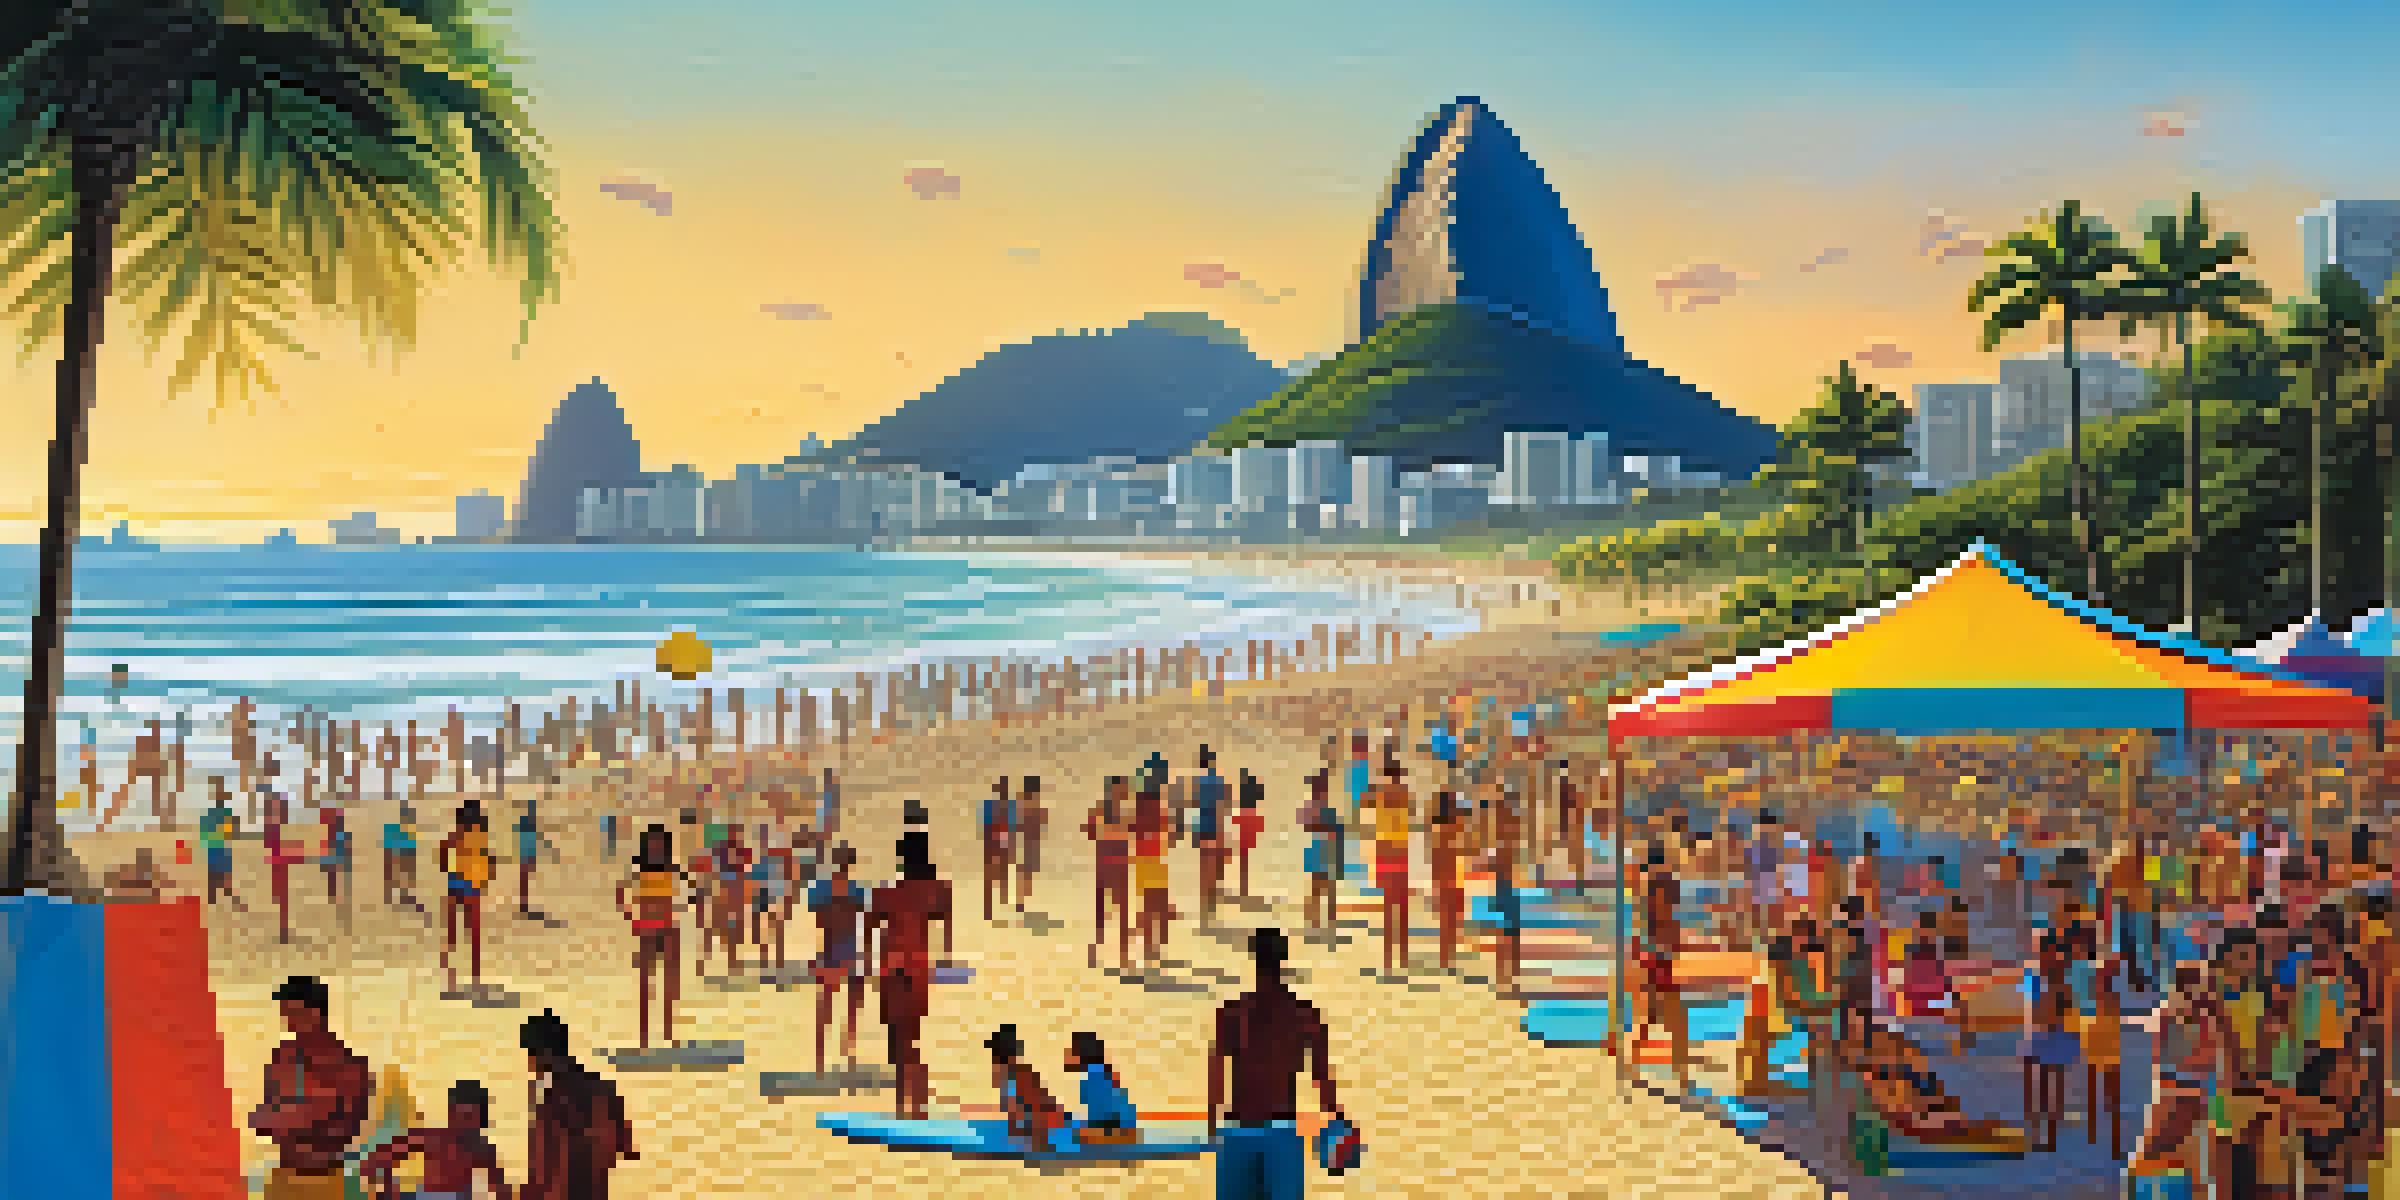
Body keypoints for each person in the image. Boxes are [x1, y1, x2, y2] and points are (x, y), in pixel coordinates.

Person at [248, 976, 375, 1200]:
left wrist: (292, 1116)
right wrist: (309, 1111)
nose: (289, 1024)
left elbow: (346, 1130)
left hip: (329, 1180)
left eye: (295, 1015)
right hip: (283, 1178)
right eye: (286, 1016)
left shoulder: (351, 1066)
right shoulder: (283, 1057)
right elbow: (259, 1120)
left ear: (316, 1012)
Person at [867, 831, 952, 1120]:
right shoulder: (935, 890)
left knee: (897, 1040)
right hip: (917, 969)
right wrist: (946, 956)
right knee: (910, 1038)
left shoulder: (888, 891)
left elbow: (870, 926)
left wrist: (871, 958)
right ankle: (918, 1102)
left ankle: (907, 1105)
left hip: (893, 968)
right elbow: (945, 917)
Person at [520, 1009, 637, 1200]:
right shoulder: (603, 1089)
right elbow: (626, 1147)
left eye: (531, 1055)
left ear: (543, 1054)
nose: (530, 1065)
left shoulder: (552, 1100)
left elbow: (543, 1170)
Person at [359, 1079, 515, 1200]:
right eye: (459, 1113)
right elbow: (379, 1157)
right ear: (450, 1112)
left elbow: (501, 1188)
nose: (463, 1122)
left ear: (480, 1118)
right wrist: (389, 1191)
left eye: (470, 1116)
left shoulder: (481, 1148)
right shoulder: (433, 1137)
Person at [614, 825, 685, 1050]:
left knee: (670, 985)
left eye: (658, 843)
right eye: (652, 842)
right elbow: (620, 892)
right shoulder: (639, 870)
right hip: (647, 930)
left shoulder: (672, 869)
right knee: (647, 984)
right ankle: (645, 1036)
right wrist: (631, 918)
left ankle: (669, 1031)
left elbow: (687, 894)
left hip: (668, 929)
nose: (655, 847)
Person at [809, 844, 871, 1075]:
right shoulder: (858, 891)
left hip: (830, 952)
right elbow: (862, 924)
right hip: (851, 952)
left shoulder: (821, 890)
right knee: (853, 1007)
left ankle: (820, 1059)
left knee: (824, 1008)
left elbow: (819, 921)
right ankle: (849, 1052)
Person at [986, 1024, 1073, 1153]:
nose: (992, 1064)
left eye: (994, 1056)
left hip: (1052, 1133)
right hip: (1052, 1130)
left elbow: (1035, 1114)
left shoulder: (1014, 1079)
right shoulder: (1015, 1076)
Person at [438, 804, 492, 995]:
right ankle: (473, 979)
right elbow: (486, 859)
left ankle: (449, 978)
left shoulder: (459, 832)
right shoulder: (480, 833)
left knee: (453, 932)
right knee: (473, 934)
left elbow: (444, 849)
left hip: (457, 881)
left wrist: (447, 869)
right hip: (471, 885)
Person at [1084, 778, 1135, 970]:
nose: (1124, 793)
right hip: (1113, 866)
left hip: (1109, 865)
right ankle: (1110, 955)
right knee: (1112, 913)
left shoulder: (1107, 811)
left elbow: (1089, 832)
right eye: (1122, 790)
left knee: (1109, 913)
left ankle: (1105, 954)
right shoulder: (1122, 813)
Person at [1368, 758, 1413, 974]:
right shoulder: (1404, 794)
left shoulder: (1380, 794)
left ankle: (1388, 962)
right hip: (1400, 854)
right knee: (1402, 912)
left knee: (1389, 912)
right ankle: (1402, 960)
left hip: (1386, 853)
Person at [1066, 1030, 1140, 1144]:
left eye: (1072, 1051)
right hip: (1122, 1127)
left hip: (1115, 1131)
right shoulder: (1102, 1072)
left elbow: (1100, 1116)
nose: (1068, 1055)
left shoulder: (1094, 1076)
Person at [1188, 748, 1231, 927]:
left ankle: (1206, 907)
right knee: (1214, 868)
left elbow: (1194, 808)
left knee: (1206, 868)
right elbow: (1223, 807)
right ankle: (1210, 906)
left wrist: (1194, 832)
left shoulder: (1197, 784)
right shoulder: (1217, 782)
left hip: (1203, 830)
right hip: (1215, 829)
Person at [1134, 783, 1176, 964]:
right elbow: (1171, 836)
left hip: (1146, 864)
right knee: (1156, 905)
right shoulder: (1159, 815)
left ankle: (1151, 946)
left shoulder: (1142, 817)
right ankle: (1154, 946)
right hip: (1152, 865)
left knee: (1152, 906)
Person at [1300, 770, 1337, 934]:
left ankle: (1325, 922)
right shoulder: (1314, 808)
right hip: (1319, 849)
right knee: (1320, 887)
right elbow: (1306, 824)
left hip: (1324, 849)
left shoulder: (1322, 808)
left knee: (1327, 888)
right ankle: (1317, 922)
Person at [202, 779, 246, 910]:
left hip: (222, 847)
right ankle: (213, 899)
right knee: (215, 873)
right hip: (216, 847)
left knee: (224, 872)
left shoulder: (225, 813)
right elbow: (206, 832)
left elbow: (232, 830)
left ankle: (222, 896)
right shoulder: (212, 814)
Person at [982, 777, 1015, 923]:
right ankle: (991, 907)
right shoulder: (992, 806)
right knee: (995, 875)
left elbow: (1013, 827)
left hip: (999, 843)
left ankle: (997, 904)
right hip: (995, 843)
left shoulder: (1005, 806)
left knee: (1001, 874)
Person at [1015, 776, 1046, 915]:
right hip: (1026, 844)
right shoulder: (1026, 805)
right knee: (1024, 873)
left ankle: (1021, 901)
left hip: (1028, 843)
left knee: (1025, 873)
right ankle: (1020, 902)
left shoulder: (1026, 805)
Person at [1235, 769, 1266, 902]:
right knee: (1244, 859)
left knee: (1244, 859)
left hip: (1246, 825)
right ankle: (1243, 889)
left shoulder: (1245, 808)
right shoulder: (1249, 809)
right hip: (1247, 825)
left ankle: (1243, 889)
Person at [514, 800, 543, 919]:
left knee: (525, 880)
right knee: (524, 880)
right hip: (525, 857)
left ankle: (524, 905)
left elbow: (533, 841)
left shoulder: (528, 825)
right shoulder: (525, 824)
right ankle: (524, 906)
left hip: (527, 856)